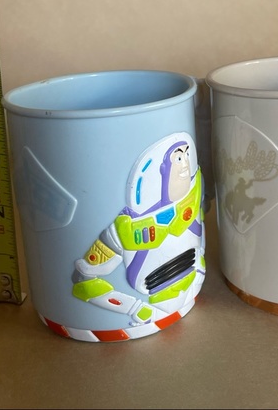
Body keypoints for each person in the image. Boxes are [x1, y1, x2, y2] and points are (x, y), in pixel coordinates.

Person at [71, 132, 206, 337]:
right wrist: (135, 308)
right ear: (160, 169)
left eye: (187, 155)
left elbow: (200, 230)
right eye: (178, 158)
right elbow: (83, 279)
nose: (185, 165)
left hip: (193, 284)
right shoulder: (126, 230)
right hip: (157, 306)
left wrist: (201, 263)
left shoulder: (193, 199)